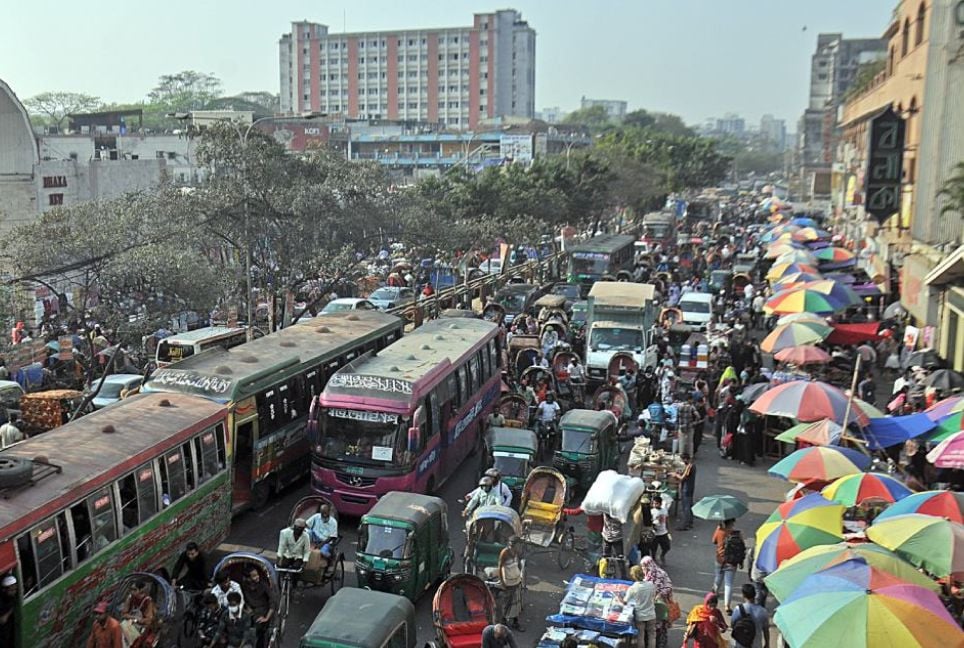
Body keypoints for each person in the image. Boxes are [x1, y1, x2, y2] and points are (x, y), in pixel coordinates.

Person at [711, 519, 745, 613]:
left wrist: (718, 529)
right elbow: (742, 548)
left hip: (720, 559)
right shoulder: (737, 534)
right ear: (732, 523)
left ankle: (715, 592)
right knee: (729, 584)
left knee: (718, 576)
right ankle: (727, 606)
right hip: (732, 562)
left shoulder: (720, 531)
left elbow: (713, 541)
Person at [241, 565, 276, 648]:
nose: (257, 577)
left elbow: (272, 601)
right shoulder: (244, 585)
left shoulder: (263, 585)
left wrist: (267, 617)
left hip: (262, 610)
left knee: (258, 629)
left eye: (257, 575)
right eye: (254, 576)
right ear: (248, 578)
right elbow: (243, 598)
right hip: (248, 609)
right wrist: (247, 607)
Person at [623, 565, 657, 648]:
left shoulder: (633, 588)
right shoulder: (650, 585)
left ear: (633, 576)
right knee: (652, 636)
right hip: (651, 614)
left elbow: (625, 601)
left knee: (640, 636)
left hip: (640, 616)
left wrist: (618, 599)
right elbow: (653, 596)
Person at [730, 583, 770, 648]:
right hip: (756, 644)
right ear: (755, 595)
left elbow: (732, 624)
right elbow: (766, 630)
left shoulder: (738, 609)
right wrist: (767, 643)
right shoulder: (763, 611)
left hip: (741, 643)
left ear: (743, 595)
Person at [119, 580, 156, 648]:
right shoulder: (130, 597)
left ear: (141, 590)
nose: (132, 592)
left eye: (134, 589)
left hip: (142, 626)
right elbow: (124, 613)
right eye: (131, 589)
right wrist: (134, 618)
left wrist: (136, 620)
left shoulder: (147, 601)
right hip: (131, 622)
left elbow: (148, 620)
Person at [671, 454, 696, 530]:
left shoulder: (689, 467)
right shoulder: (692, 465)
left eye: (682, 460)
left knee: (686, 507)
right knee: (689, 505)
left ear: (686, 459)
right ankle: (690, 522)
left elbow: (682, 478)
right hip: (690, 487)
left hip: (686, 488)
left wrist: (675, 475)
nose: (682, 462)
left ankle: (686, 525)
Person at [601, 513, 626, 578]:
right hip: (617, 538)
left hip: (606, 536)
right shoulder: (619, 515)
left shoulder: (605, 512)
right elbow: (623, 522)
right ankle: (623, 576)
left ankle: (603, 573)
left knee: (605, 557)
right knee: (620, 558)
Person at [675, 392, 698, 457]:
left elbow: (677, 417)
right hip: (690, 426)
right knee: (690, 442)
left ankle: (681, 455)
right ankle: (690, 455)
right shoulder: (691, 407)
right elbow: (698, 416)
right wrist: (695, 422)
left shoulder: (679, 406)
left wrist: (676, 427)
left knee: (681, 441)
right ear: (689, 399)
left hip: (681, 426)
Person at [650, 495, 671, 565]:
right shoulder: (652, 512)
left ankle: (662, 555)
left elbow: (667, 520)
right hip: (655, 534)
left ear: (660, 503)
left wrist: (669, 530)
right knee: (653, 549)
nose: (654, 505)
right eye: (653, 503)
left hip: (663, 532)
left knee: (667, 547)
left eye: (656, 503)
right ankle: (653, 560)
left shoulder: (664, 511)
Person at [0, 574, 17, 647]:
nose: (14, 592)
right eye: (11, 590)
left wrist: (7, 615)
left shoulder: (12, 596)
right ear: (4, 590)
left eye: (15, 589)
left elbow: (14, 606)